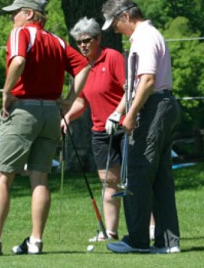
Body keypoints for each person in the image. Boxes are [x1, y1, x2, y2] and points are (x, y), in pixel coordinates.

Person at [0, 0, 90, 256]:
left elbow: (19, 60)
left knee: (2, 176)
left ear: (28, 13)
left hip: (23, 110)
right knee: (40, 178)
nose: (12, 17)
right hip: (51, 112)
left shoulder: (21, 33)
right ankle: (36, 241)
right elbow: (83, 67)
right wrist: (69, 99)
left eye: (15, 12)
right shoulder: (58, 41)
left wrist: (6, 90)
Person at [101, 0, 181, 254]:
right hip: (163, 105)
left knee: (138, 172)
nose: (114, 29)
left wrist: (131, 114)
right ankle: (168, 242)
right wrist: (118, 111)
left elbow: (146, 80)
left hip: (153, 108)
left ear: (126, 16)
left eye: (114, 22)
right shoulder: (148, 35)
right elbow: (136, 85)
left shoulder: (144, 38)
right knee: (160, 178)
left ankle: (137, 240)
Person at [62, 17, 126, 242]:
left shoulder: (113, 57)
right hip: (100, 131)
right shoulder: (81, 68)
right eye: (79, 42)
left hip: (124, 126)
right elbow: (81, 101)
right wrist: (68, 116)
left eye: (87, 40)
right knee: (109, 181)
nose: (83, 46)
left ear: (98, 38)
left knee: (132, 181)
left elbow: (130, 91)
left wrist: (117, 114)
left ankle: (149, 227)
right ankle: (110, 231)